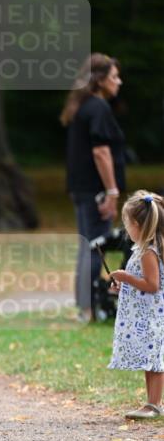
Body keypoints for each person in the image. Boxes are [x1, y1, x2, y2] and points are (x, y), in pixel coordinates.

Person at [61, 53, 126, 322]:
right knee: (96, 246)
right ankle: (89, 310)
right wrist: (111, 191)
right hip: (95, 190)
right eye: (113, 77)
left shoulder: (83, 107)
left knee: (87, 245)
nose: (118, 82)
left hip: (81, 188)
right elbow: (101, 152)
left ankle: (85, 307)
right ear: (99, 80)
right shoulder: (98, 108)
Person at [108, 191, 164, 420]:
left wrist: (126, 278)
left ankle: (154, 404)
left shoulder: (148, 252)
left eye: (127, 224)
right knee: (149, 360)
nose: (125, 229)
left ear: (138, 225)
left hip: (151, 317)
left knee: (155, 361)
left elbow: (152, 284)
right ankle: (150, 403)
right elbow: (144, 283)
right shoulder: (142, 250)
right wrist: (125, 287)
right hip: (145, 315)